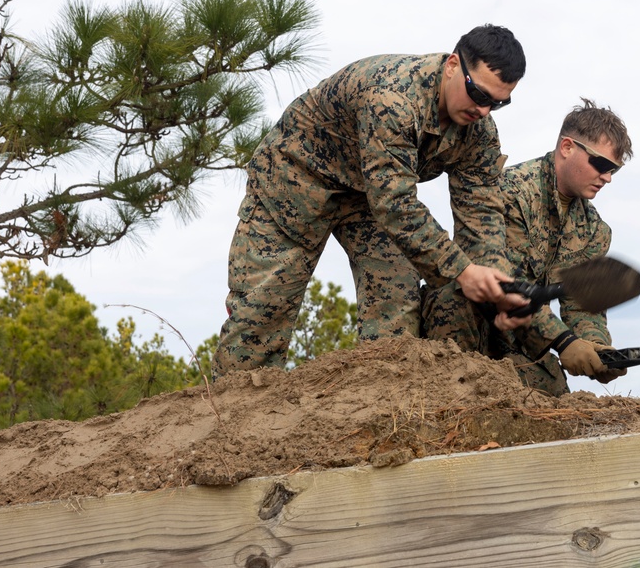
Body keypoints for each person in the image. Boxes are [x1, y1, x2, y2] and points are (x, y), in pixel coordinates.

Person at [213, 24, 529, 376]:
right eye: (479, 95)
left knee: (396, 297)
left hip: (365, 196)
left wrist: (497, 287)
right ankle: (230, 420)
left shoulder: (479, 133)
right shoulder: (393, 97)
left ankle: (386, 403)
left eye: (498, 103)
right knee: (263, 310)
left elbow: (482, 213)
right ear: (453, 65)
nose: (484, 111)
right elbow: (395, 204)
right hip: (294, 180)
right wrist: (462, 271)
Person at [422, 98, 633, 396]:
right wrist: (564, 341)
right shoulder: (511, 192)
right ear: (567, 148)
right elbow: (508, 284)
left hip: (520, 341)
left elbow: (580, 305)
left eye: (615, 169)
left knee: (555, 396)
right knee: (452, 307)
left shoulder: (594, 231)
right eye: (601, 164)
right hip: (470, 323)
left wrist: (595, 347)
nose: (608, 178)